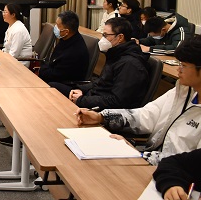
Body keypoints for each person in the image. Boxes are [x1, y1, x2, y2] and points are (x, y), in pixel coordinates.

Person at [76, 36, 201, 166]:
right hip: (152, 161)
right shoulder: (183, 91)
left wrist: (138, 154)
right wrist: (102, 117)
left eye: (184, 65)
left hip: (174, 173)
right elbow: (146, 115)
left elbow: (192, 164)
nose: (178, 69)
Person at [68, 17, 150, 110]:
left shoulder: (130, 64)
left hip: (105, 111)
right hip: (95, 99)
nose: (102, 39)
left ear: (120, 37)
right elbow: (101, 82)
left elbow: (117, 101)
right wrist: (81, 90)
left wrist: (82, 100)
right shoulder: (115, 54)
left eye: (105, 35)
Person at [38, 10, 89, 90]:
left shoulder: (74, 52)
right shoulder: (66, 39)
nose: (55, 27)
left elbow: (56, 75)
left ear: (66, 31)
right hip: (54, 76)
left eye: (58, 26)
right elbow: (52, 62)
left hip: (65, 85)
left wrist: (41, 69)